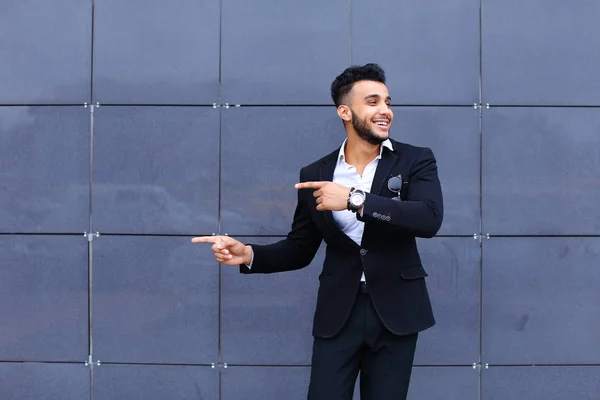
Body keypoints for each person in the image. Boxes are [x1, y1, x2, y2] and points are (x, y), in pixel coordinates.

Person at [192, 63, 443, 400]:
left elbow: (428, 219)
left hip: (397, 310)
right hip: (339, 312)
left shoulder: (415, 160)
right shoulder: (317, 173)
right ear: (345, 111)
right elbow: (299, 249)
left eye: (387, 101)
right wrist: (249, 254)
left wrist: (355, 199)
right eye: (372, 102)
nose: (385, 110)